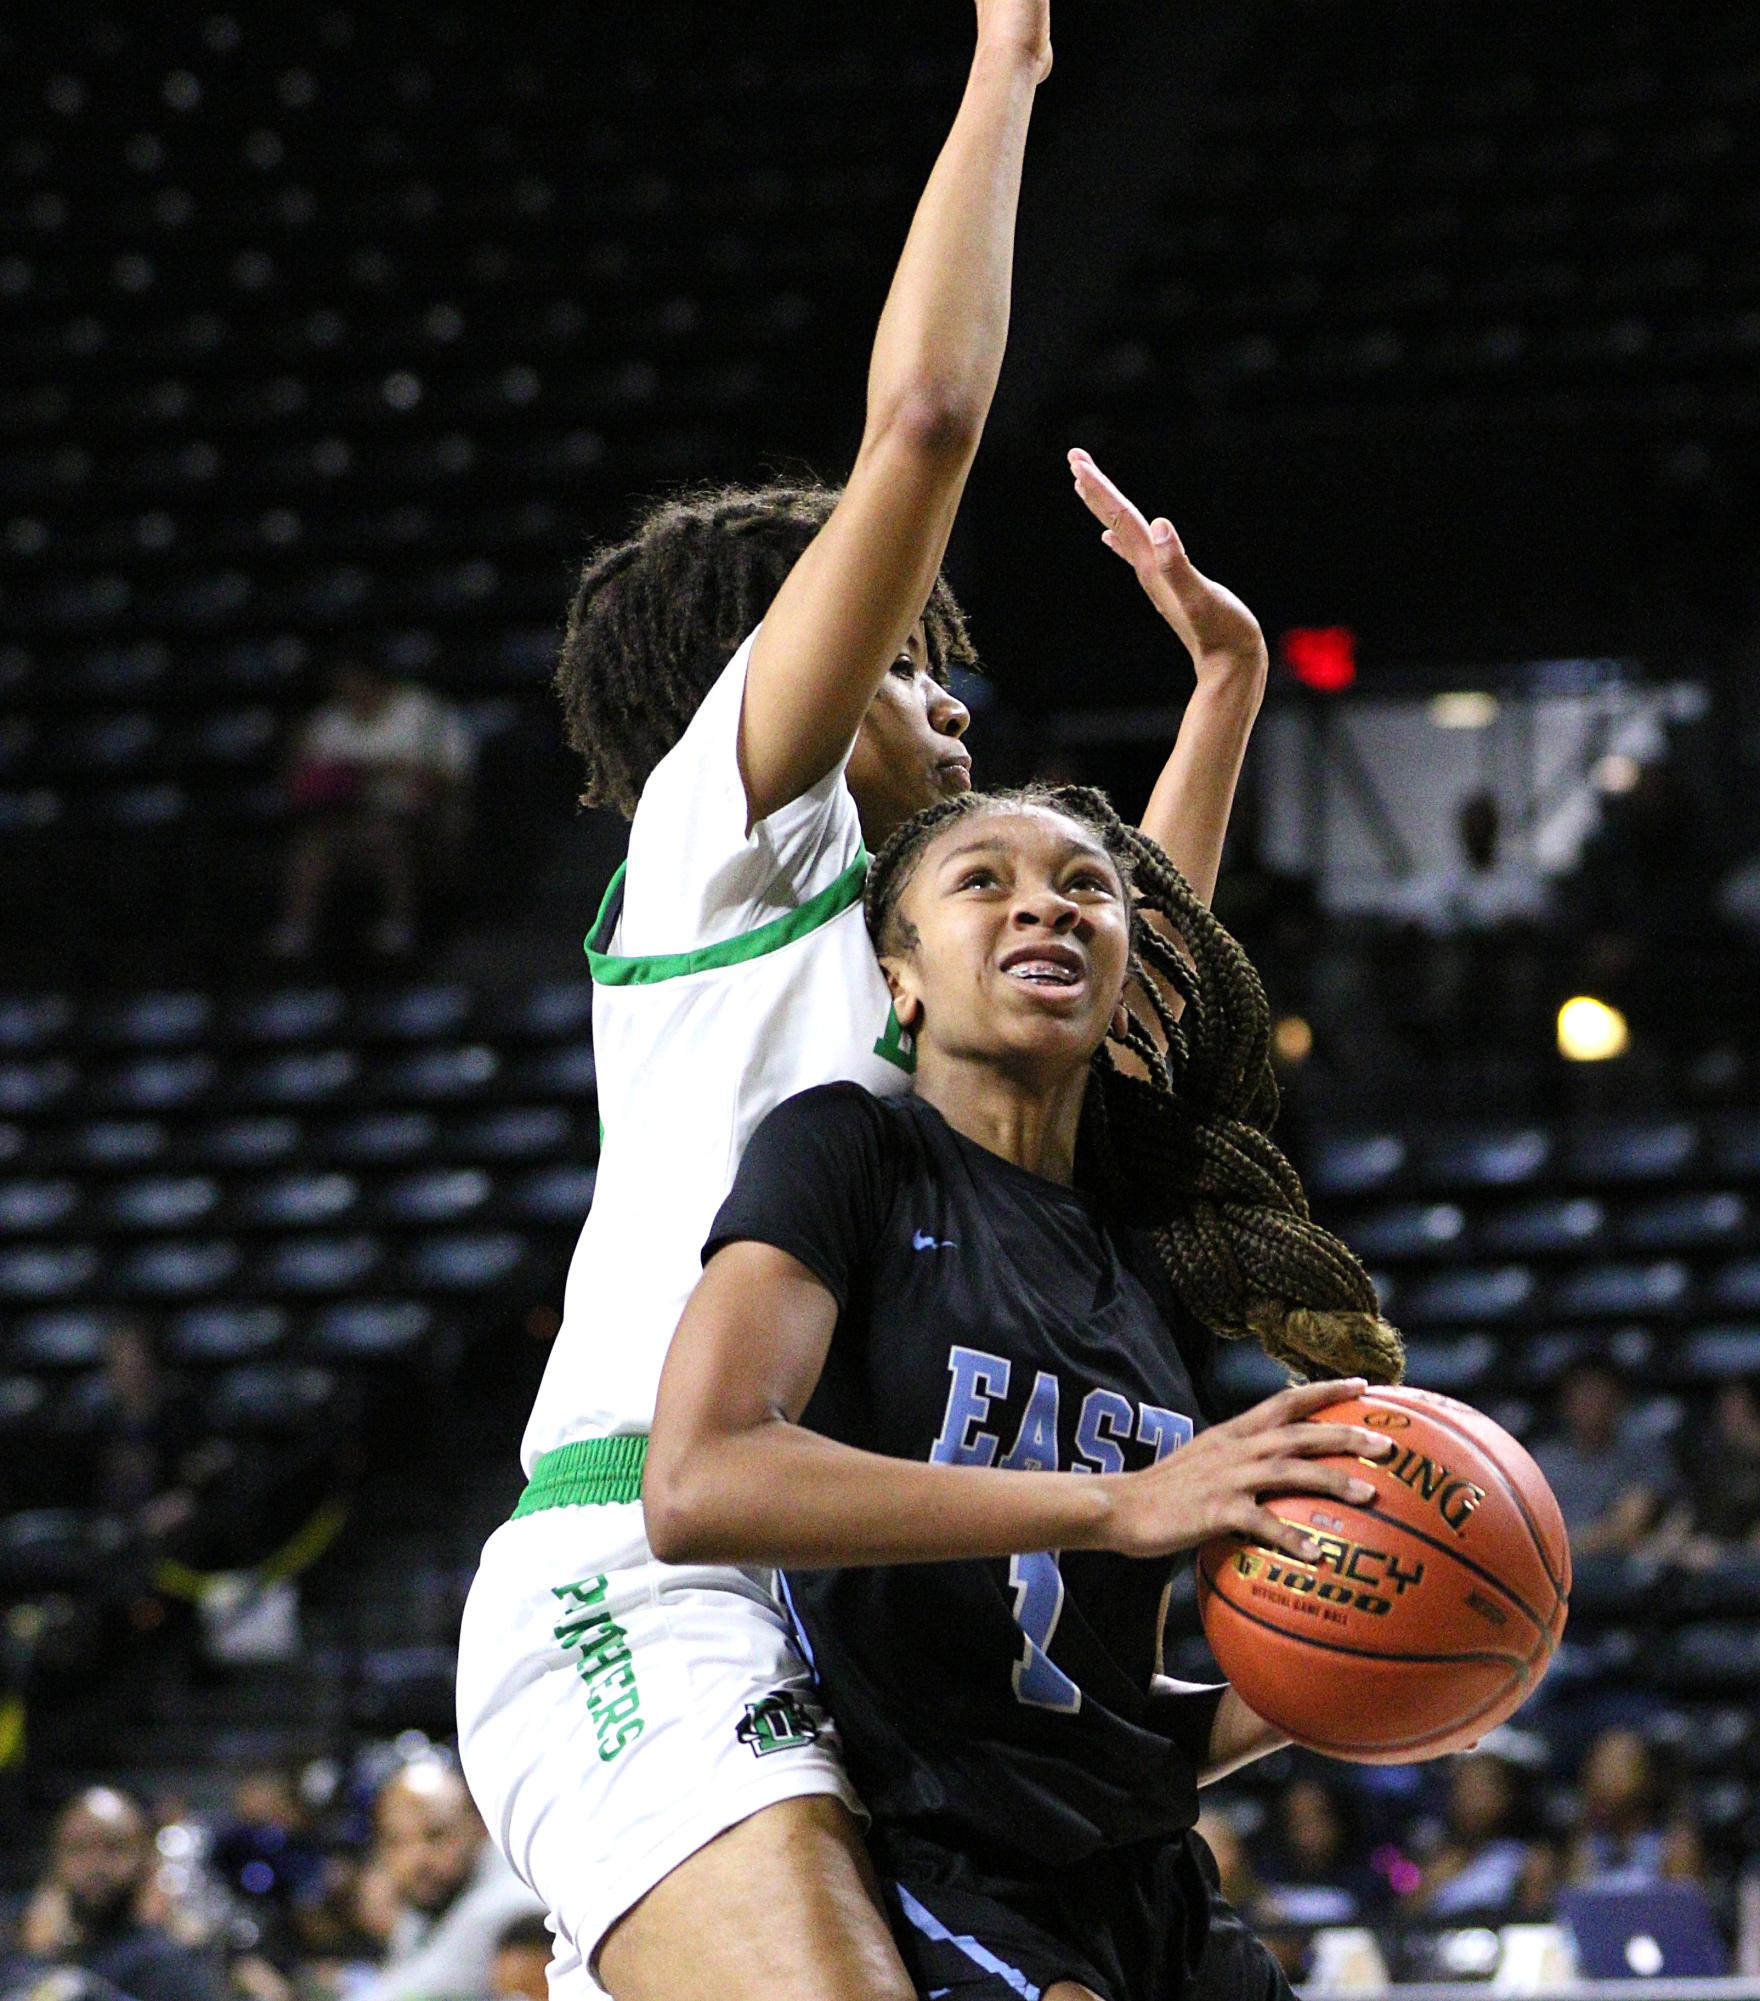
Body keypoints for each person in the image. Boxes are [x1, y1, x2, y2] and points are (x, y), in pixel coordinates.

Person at [458, 4, 1283, 1995]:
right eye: (909, 653)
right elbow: (917, 429)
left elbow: (1134, 969)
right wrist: (1005, 67)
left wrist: (1226, 693)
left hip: (869, 1621)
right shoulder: (725, 845)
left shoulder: (938, 991)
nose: (947, 690)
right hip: (642, 1577)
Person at [644, 788, 1403, 1999]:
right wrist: (1109, 1506)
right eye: (982, 881)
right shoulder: (851, 1153)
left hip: (1150, 1880)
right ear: (902, 980)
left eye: (1082, 889)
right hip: (939, 1860)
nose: (1045, 902)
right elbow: (696, 1483)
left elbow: (1094, 1709)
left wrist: (1348, 1669)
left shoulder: (1148, 1263)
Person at [267, 660, 473, 959]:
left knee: (384, 834)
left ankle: (399, 925)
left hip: (413, 817)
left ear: (376, 681)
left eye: (356, 683)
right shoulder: (329, 720)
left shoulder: (423, 711)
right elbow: (304, 779)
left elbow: (453, 772)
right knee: (311, 846)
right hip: (344, 817)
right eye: (342, 687)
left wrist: (391, 772)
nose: (350, 692)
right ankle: (297, 930)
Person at [357, 1761, 544, 2001]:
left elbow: (426, 1992)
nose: (417, 1859)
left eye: (436, 1835)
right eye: (397, 1841)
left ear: (480, 1826)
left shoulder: (510, 1899)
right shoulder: (431, 1902)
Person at [18, 1788, 223, 2001]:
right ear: (57, 1858)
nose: (95, 1865)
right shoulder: (27, 1961)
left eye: (114, 1847)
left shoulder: (174, 1964)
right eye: (79, 1847)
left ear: (145, 1857)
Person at [1529, 1360, 1670, 1557]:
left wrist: (1567, 1548)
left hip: (1610, 1564)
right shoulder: (1544, 1458)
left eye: (1599, 1394)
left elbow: (1626, 1528)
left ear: (1617, 1402)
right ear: (1566, 1403)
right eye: (1582, 1394)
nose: (1591, 1403)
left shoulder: (1640, 1454)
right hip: (1550, 1565)